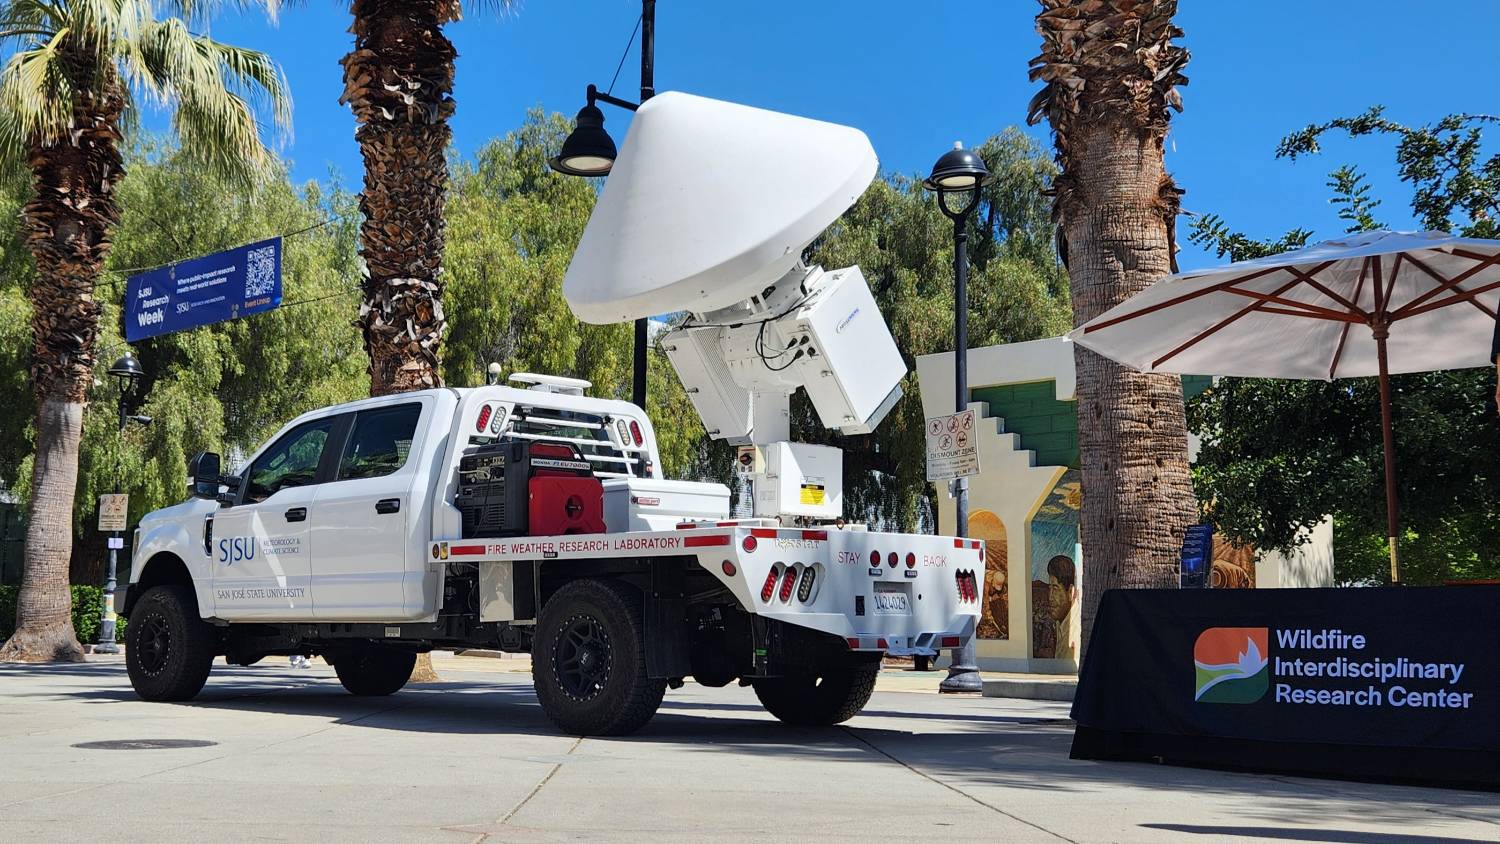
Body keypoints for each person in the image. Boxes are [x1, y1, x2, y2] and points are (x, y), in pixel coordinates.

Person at [1047, 555, 1079, 664]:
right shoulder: (1061, 622)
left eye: (1055, 588)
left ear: (1070, 592)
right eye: (1049, 588)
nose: (1050, 597)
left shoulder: (1076, 629)